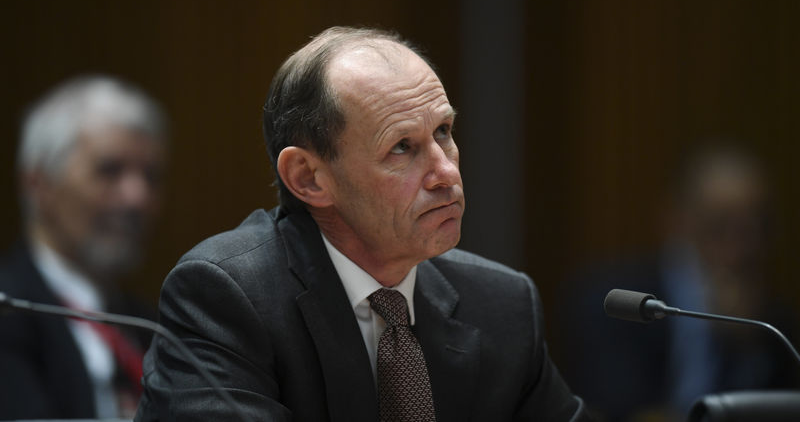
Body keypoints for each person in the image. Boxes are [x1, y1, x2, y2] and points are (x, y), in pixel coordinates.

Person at [135, 27, 588, 421]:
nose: (446, 173)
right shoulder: (227, 298)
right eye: (402, 147)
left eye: (444, 133)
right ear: (308, 178)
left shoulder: (501, 306)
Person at [558, 143, 798, 421]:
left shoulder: (772, 324)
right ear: (678, 221)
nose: (745, 247)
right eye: (720, 226)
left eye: (758, 226)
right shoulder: (617, 302)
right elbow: (619, 412)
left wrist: (743, 348)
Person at [0, 76, 167, 420]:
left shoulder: (149, 323)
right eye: (109, 170)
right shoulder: (8, 312)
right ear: (39, 182)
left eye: (150, 176)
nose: (138, 197)